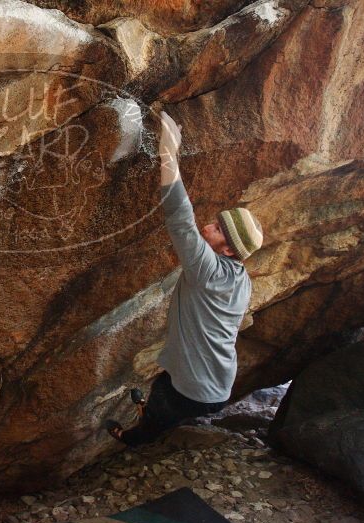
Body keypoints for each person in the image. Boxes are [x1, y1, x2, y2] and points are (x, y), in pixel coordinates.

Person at [105, 110, 263, 447]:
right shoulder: (240, 278)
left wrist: (168, 151)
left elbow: (180, 216)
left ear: (230, 251)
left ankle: (134, 436)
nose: (210, 227)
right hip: (218, 384)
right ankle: (156, 414)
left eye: (219, 230)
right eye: (217, 221)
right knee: (165, 383)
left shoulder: (209, 271)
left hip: (196, 390)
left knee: (161, 403)